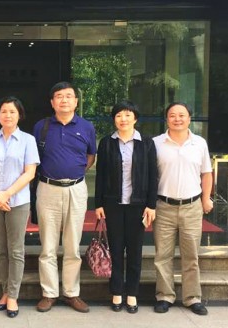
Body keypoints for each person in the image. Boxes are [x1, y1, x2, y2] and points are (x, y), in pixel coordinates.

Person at [33, 81, 96, 313]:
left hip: (76, 189)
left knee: (72, 245)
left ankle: (71, 293)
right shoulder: (41, 126)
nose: (64, 100)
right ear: (52, 102)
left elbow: (90, 156)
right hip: (47, 187)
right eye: (59, 96)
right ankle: (49, 293)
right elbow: (34, 157)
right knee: (48, 245)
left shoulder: (86, 127)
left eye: (69, 96)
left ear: (76, 101)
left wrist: (74, 173)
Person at [0, 96, 40, 318]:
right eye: (4, 111)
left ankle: (13, 295)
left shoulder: (28, 140)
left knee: (16, 249)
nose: (8, 115)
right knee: (0, 249)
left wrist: (7, 194)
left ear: (19, 115)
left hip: (18, 201)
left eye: (12, 111)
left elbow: (30, 173)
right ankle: (5, 291)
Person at [94, 100, 158, 314]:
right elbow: (100, 175)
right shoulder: (107, 143)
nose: (123, 119)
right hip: (112, 204)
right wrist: (98, 203)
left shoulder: (146, 143)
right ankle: (116, 292)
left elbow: (153, 176)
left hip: (138, 206)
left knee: (134, 251)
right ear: (114, 119)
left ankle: (132, 293)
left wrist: (151, 205)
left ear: (135, 118)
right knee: (115, 249)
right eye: (119, 115)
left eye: (128, 115)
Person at [152, 102, 213, 316]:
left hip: (192, 207)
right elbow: (150, 176)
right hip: (163, 207)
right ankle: (164, 296)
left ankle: (192, 298)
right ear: (166, 119)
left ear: (189, 118)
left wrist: (206, 199)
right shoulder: (156, 143)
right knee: (162, 256)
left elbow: (206, 173)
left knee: (191, 256)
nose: (177, 119)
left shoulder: (200, 143)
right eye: (172, 115)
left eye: (181, 115)